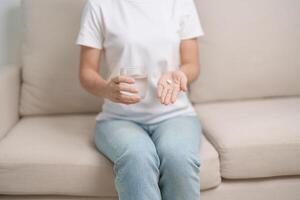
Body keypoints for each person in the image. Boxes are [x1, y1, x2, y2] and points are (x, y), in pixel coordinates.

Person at [75, 0, 205, 199]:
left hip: (175, 114)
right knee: (137, 156)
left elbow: (192, 65)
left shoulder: (181, 3)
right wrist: (106, 89)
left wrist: (181, 75)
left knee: (178, 157)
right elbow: (86, 72)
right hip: (118, 119)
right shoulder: (99, 5)